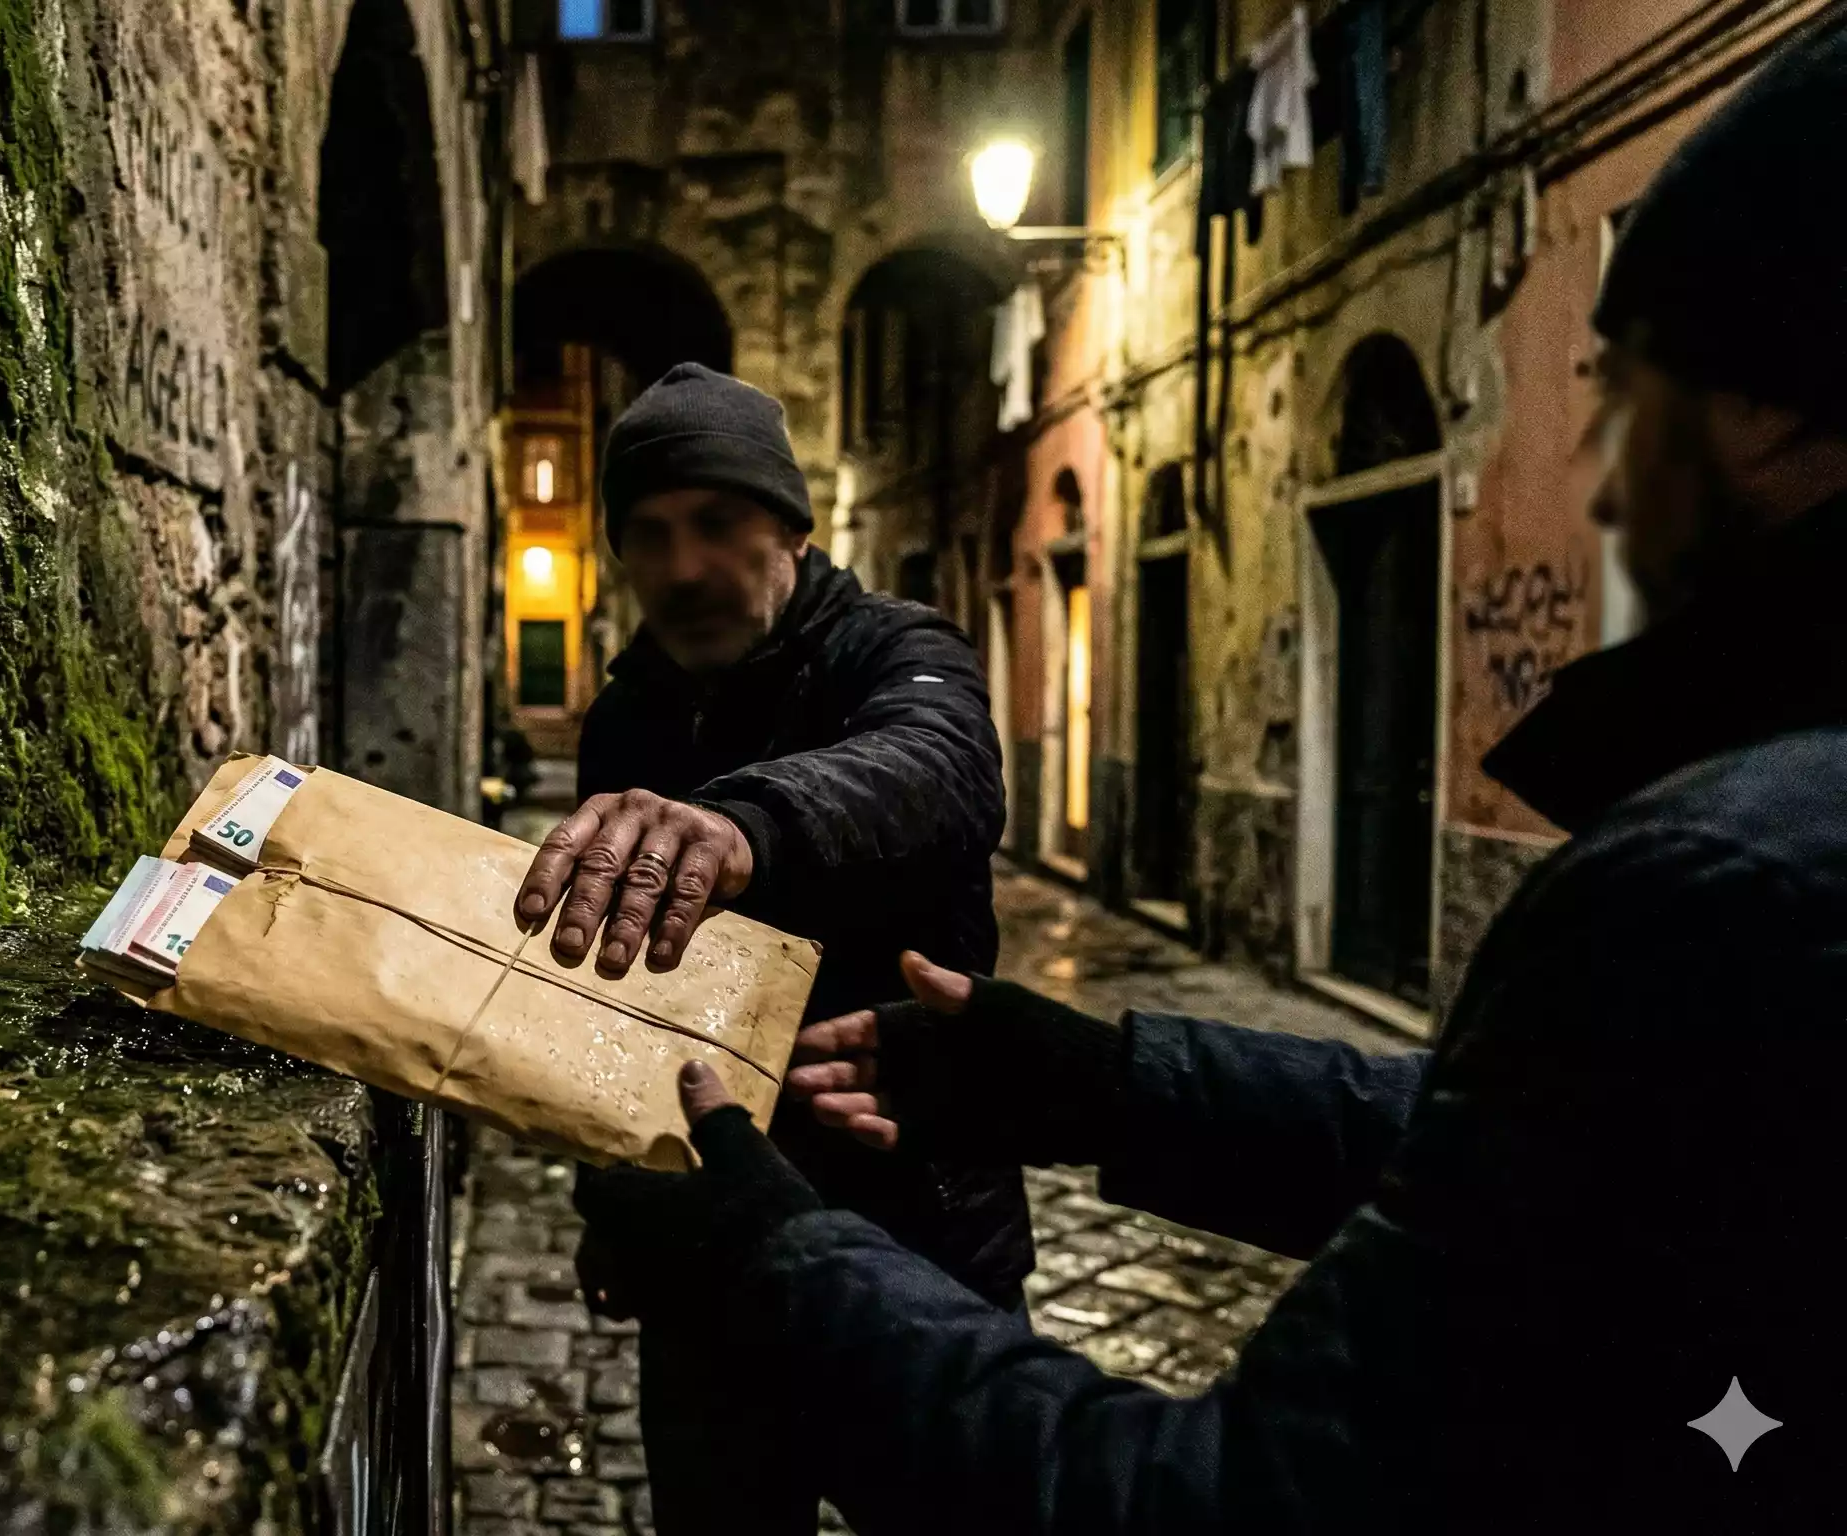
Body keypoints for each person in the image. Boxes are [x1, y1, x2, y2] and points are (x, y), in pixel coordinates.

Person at [575, 21, 1847, 1535]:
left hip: (897, 1222)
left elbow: (1230, 1500)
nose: (1602, 480)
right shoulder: (628, 708)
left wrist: (764, 1234)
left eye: (1617, 391)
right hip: (722, 1206)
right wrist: (1103, 1084)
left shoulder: (1725, 884)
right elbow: (1497, 1144)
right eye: (647, 532)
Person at [513, 363, 1026, 1532]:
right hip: (713, 1255)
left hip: (917, 1235)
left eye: (716, 524)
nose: (682, 569)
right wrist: (615, 1208)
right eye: (646, 535)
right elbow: (614, 1002)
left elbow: (939, 770)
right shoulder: (630, 715)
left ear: (792, 526)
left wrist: (739, 829)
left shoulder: (900, 654)